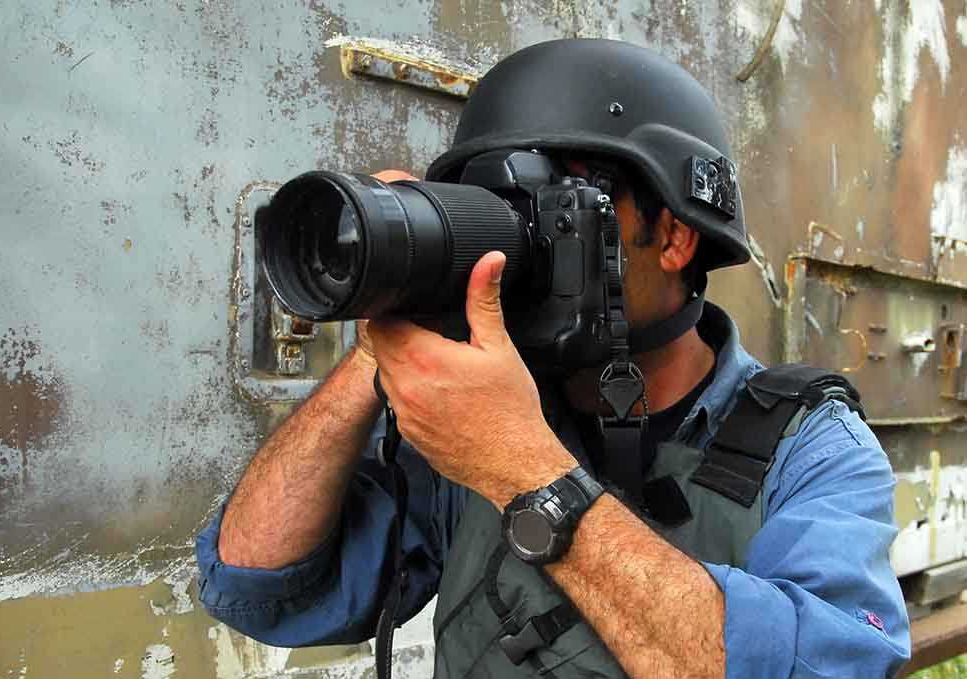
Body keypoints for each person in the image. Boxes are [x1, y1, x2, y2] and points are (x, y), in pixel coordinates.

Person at [195, 39, 911, 678]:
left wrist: (522, 469)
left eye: (556, 211)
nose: (520, 249)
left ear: (672, 237)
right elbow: (255, 585)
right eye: (498, 209)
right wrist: (382, 342)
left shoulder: (809, 447)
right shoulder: (468, 427)